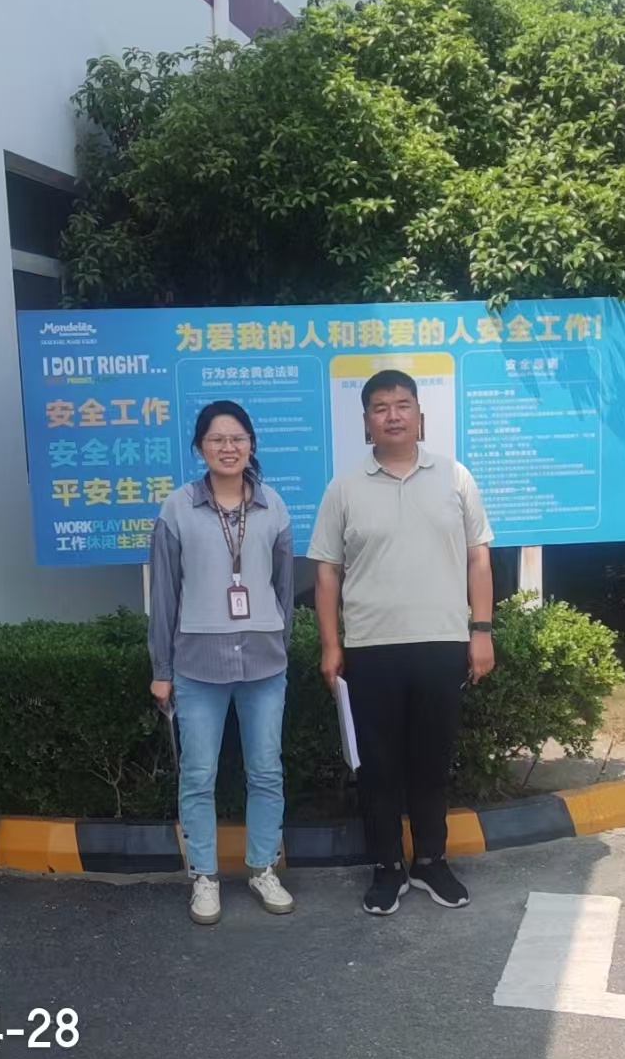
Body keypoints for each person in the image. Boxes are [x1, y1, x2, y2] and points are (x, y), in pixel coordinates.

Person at [307, 369, 495, 915]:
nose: (393, 415)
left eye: (403, 404)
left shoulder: (455, 477)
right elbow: (326, 572)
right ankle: (387, 867)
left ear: (420, 415)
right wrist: (330, 644)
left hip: (442, 643)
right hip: (371, 647)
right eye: (381, 407)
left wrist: (481, 631)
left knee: (432, 760)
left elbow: (479, 558)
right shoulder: (344, 488)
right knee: (379, 765)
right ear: (366, 422)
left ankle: (431, 861)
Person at [148, 400, 296, 925]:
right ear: (200, 447)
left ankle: (262, 867)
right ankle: (204, 877)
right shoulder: (176, 508)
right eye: (216, 439)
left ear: (251, 444)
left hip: (264, 664)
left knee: (266, 771)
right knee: (198, 774)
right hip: (197, 665)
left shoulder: (273, 507)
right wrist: (161, 669)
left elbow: (284, 587)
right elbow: (164, 594)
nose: (228, 447)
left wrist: (282, 644)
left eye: (237, 438)